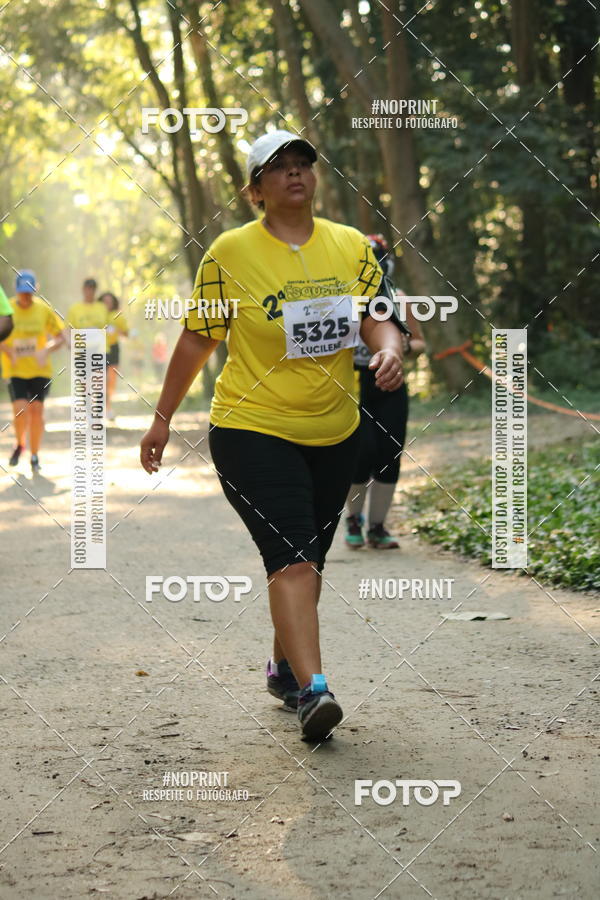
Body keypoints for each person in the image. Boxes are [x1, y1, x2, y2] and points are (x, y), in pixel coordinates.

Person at [140, 130, 406, 741]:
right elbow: (197, 338)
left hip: (334, 431)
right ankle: (315, 693)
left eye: (303, 165)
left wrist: (388, 352)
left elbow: (379, 318)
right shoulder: (230, 253)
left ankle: (284, 667)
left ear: (315, 178)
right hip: (250, 429)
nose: (294, 175)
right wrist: (161, 419)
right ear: (254, 190)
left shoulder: (350, 246)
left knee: (308, 559)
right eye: (278, 168)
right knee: (290, 558)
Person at [345, 235, 426, 549]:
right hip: (354, 384)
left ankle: (378, 526)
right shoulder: (341, 300)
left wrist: (402, 346)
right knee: (360, 453)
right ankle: (354, 518)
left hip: (390, 383)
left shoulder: (398, 297)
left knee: (389, 455)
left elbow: (420, 342)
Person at [0, 270, 64, 473]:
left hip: (40, 370)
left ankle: (35, 455)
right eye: (22, 292)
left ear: (35, 289)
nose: (25, 297)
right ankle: (20, 444)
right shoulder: (6, 309)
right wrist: (8, 350)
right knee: (21, 411)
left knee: (36, 412)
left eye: (29, 292)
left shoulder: (44, 310)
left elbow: (60, 336)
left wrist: (46, 349)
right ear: (16, 291)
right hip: (15, 370)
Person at [99, 291, 128, 420]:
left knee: (111, 380)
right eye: (104, 301)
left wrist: (117, 330)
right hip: (99, 349)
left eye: (109, 302)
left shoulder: (118, 315)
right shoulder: (97, 315)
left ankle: (108, 407)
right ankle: (98, 409)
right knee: (99, 380)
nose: (107, 304)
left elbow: (126, 333)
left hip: (113, 349)